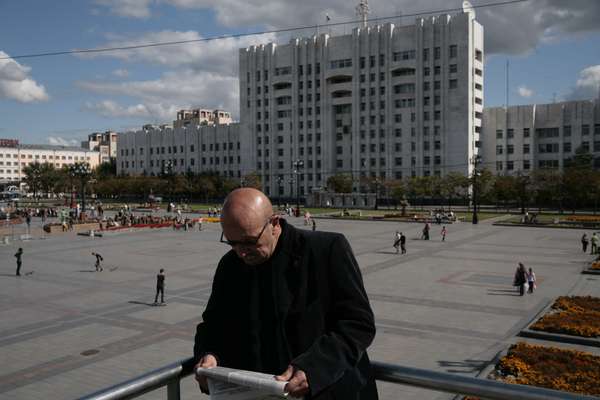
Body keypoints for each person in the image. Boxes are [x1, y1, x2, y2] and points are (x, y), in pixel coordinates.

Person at [194, 188, 377, 399]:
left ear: (275, 224)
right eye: (232, 242)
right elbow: (212, 324)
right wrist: (209, 354)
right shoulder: (230, 265)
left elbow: (358, 324)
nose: (241, 252)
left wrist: (315, 368)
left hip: (327, 392)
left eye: (249, 241)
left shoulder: (326, 250)